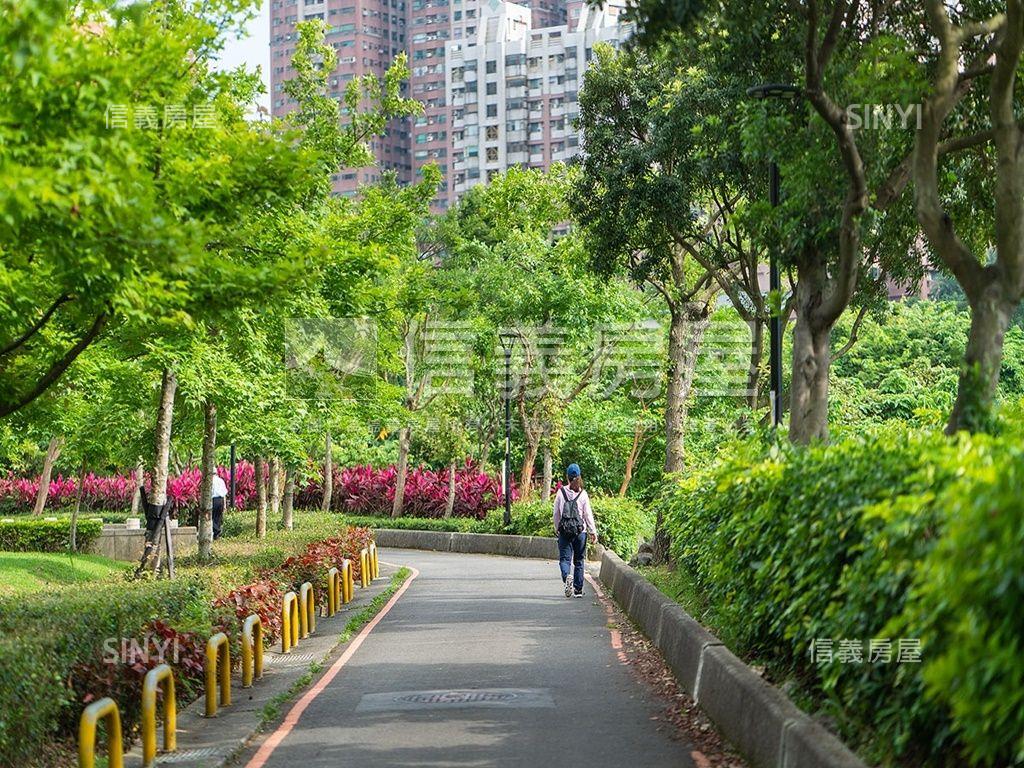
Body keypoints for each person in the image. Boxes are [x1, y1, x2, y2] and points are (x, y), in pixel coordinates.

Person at [553, 463, 597, 598]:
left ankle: (567, 577)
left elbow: (556, 513)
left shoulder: (561, 492)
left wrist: (557, 527)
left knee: (565, 560)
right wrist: (592, 531)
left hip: (565, 531)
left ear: (567, 477)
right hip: (580, 532)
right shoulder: (583, 494)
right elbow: (587, 514)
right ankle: (578, 590)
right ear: (579, 476)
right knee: (579, 560)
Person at [211, 472, 228, 539]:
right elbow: (224, 494)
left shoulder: (210, 481)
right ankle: (216, 534)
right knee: (218, 517)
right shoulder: (221, 481)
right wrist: (225, 505)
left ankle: (216, 531)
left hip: (213, 500)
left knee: (212, 517)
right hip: (220, 500)